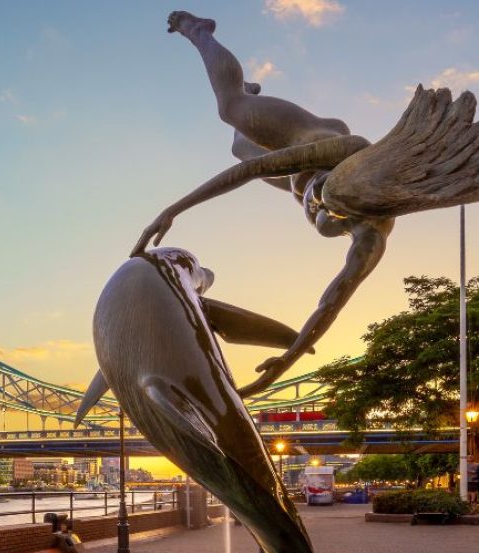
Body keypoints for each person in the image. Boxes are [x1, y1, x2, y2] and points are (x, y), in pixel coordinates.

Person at [134, 11, 479, 396]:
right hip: (300, 139)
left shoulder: (372, 235)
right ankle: (199, 30)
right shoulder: (346, 149)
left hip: (295, 179)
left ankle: (248, 92)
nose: (317, 207)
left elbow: (331, 301)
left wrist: (285, 362)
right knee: (229, 107)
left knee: (237, 147)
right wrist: (173, 210)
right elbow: (253, 172)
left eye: (327, 210)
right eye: (322, 195)